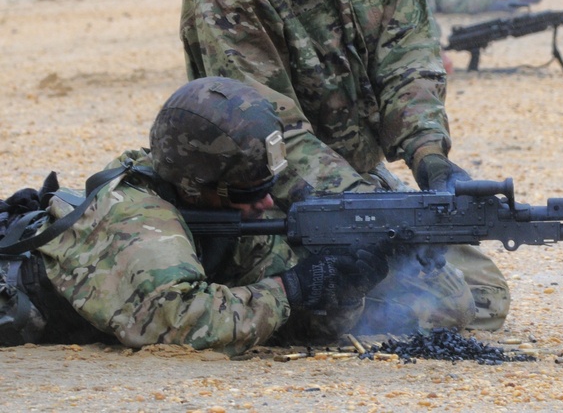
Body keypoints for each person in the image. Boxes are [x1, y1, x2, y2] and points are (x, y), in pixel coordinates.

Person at [180, 0, 508, 332]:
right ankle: (259, 298)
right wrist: (371, 209)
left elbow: (408, 60)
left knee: (486, 292)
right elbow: (271, 136)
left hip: (355, 182)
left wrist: (430, 158)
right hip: (267, 199)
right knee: (443, 306)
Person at [1, 77, 399, 355]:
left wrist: (340, 287)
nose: (265, 204)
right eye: (250, 192)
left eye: (269, 187)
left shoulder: (215, 208)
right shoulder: (141, 221)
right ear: (196, 186)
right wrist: (291, 288)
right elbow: (179, 323)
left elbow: (294, 326)